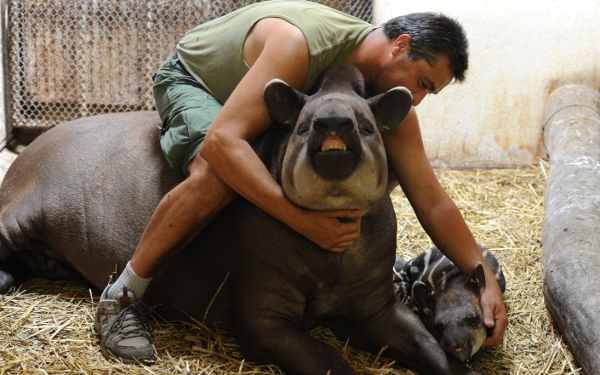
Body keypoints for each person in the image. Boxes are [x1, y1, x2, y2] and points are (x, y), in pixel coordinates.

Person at [94, 0, 507, 364]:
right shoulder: (302, 47)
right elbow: (223, 140)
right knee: (217, 173)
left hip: (258, 92)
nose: (417, 99)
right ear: (399, 46)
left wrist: (483, 278)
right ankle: (123, 295)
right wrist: (298, 219)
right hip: (198, 84)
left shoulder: (374, 86)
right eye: (422, 84)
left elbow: (431, 199)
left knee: (389, 158)